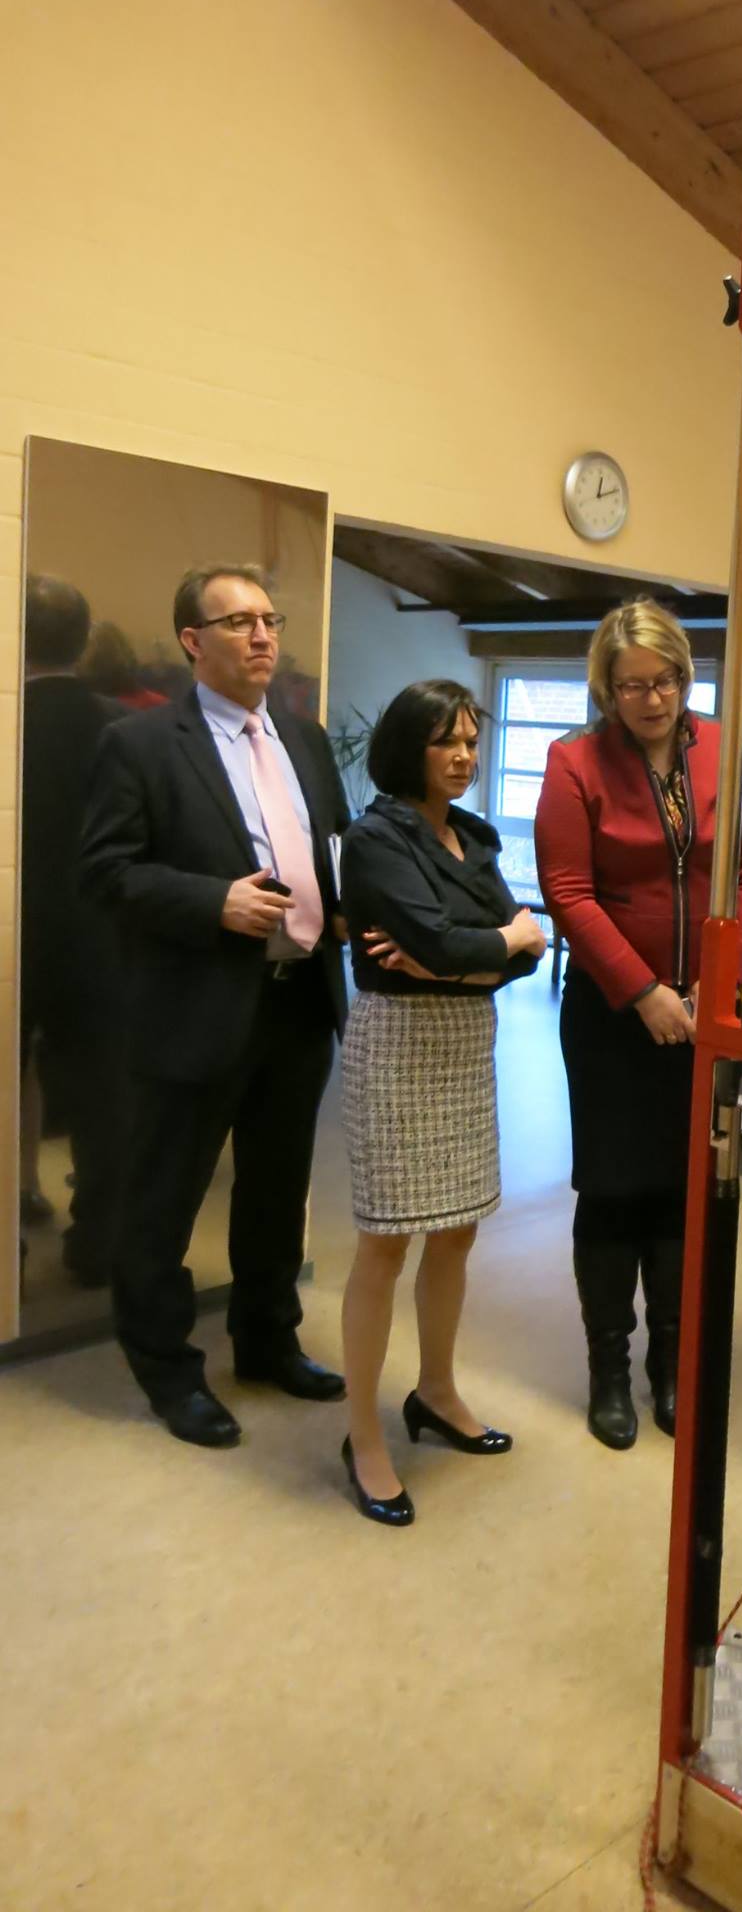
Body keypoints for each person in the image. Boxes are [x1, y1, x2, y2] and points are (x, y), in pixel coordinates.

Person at [79, 564, 350, 1448]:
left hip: (297, 1004)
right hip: (196, 1006)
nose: (262, 636)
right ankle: (167, 1371)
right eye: (237, 623)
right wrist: (212, 903)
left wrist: (349, 910)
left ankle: (267, 1342)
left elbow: (333, 846)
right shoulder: (144, 745)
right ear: (193, 642)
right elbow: (106, 873)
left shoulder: (305, 740)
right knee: (164, 1201)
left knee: (276, 1195)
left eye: (269, 620)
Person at [535, 601, 742, 1450]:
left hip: (706, 1008)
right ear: (604, 688)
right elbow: (568, 891)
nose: (652, 699)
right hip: (611, 1012)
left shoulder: (732, 749)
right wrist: (642, 991)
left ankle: (671, 1365)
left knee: (683, 1190)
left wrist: (721, 982)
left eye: (667, 679)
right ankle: (609, 1366)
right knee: (611, 1187)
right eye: (632, 685)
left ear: (686, 675)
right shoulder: (574, 761)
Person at [336, 681, 546, 1525]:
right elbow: (451, 938)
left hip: (465, 1044)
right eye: (442, 742)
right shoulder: (374, 837)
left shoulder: (475, 836)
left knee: (457, 1230)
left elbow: (523, 950)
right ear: (406, 748)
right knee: (385, 1240)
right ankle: (364, 1436)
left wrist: (466, 959)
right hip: (396, 1044)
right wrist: (488, 947)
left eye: (469, 740)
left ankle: (436, 1390)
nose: (462, 756)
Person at [19, 575, 125, 1285]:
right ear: (85, 642)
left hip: (13, 930)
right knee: (100, 1098)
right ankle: (97, 1242)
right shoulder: (120, 726)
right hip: (97, 933)